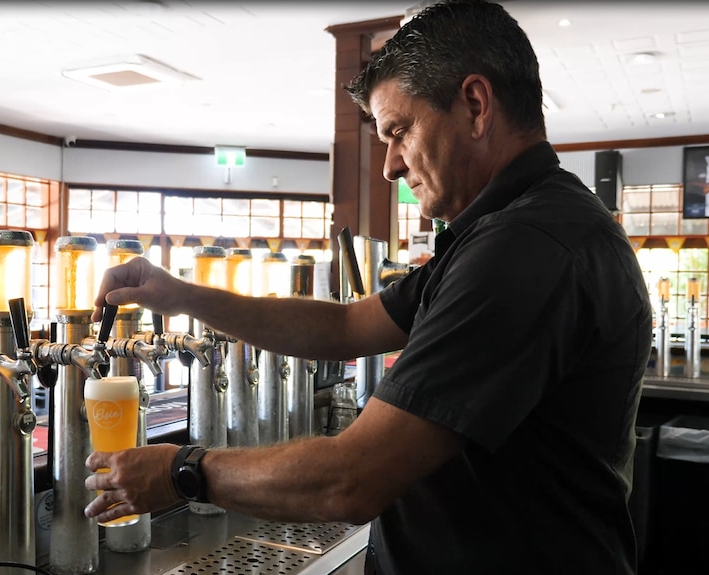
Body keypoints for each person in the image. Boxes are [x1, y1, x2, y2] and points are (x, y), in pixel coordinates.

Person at [84, 1, 652, 573]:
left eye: (399, 131)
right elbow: (348, 324)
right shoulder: (505, 230)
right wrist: (182, 296)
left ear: (476, 106)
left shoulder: (525, 248)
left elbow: (351, 479)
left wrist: (182, 471)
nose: (389, 167)